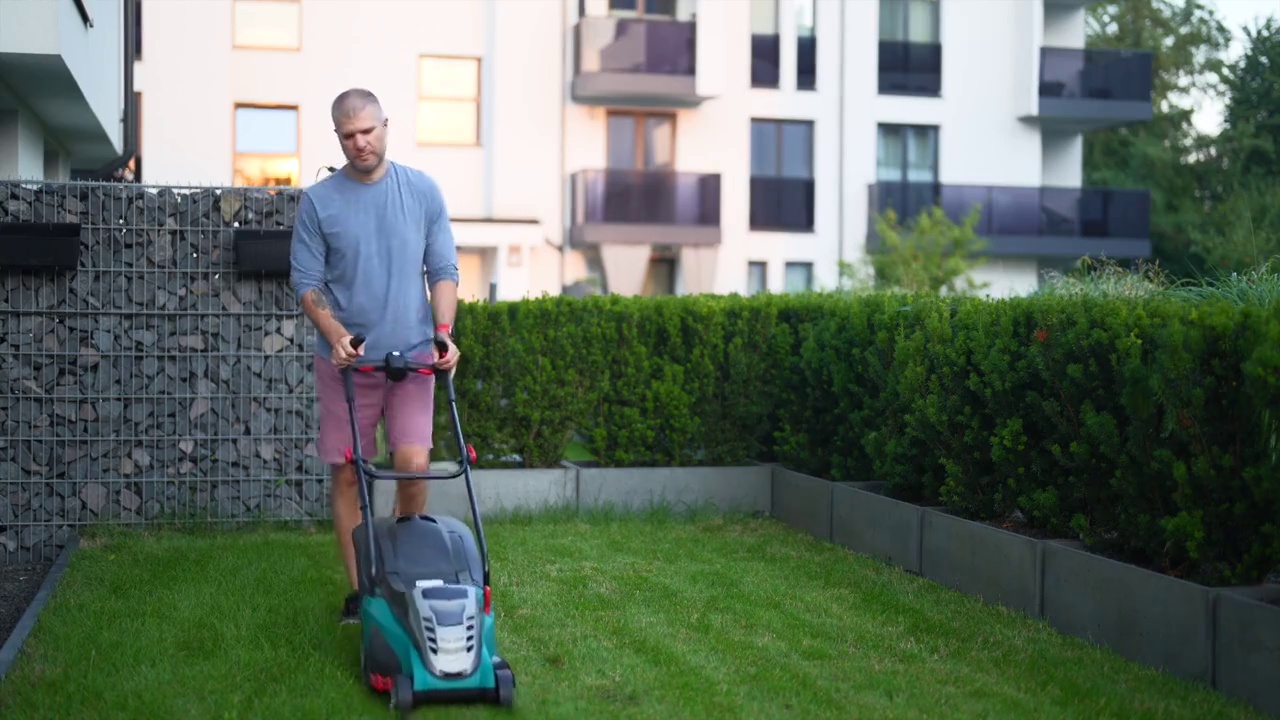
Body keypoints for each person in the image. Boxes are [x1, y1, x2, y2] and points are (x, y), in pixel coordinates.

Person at [289, 88, 461, 624]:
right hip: (347, 365)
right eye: (349, 135)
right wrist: (336, 333)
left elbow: (444, 270)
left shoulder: (423, 191)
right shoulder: (319, 203)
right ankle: (364, 592)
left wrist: (443, 332)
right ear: (337, 136)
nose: (360, 142)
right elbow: (307, 285)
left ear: (386, 125)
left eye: (368, 131)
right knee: (347, 474)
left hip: (412, 359)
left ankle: (404, 576)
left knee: (414, 464)